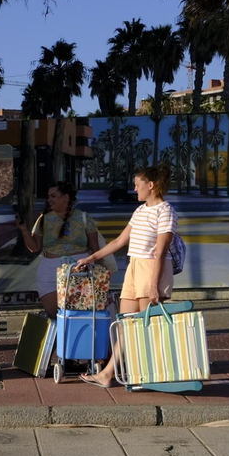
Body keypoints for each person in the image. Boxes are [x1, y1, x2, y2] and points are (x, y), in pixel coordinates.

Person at [74, 165, 177, 388]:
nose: (134, 188)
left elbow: (160, 251)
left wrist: (153, 286)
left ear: (151, 185)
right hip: (134, 267)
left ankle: (152, 373)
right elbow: (119, 242)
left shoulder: (165, 211)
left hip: (152, 269)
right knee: (125, 325)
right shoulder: (140, 211)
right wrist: (92, 258)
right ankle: (109, 374)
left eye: (137, 184)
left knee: (145, 325)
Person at [16, 180, 102, 318]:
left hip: (79, 268)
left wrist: (99, 274)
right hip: (50, 269)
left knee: (78, 312)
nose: (49, 199)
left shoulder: (84, 218)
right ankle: (58, 339)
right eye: (49, 196)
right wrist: (24, 230)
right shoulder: (44, 219)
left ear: (65, 198)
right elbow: (34, 247)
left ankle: (74, 338)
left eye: (53, 196)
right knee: (54, 312)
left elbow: (96, 250)